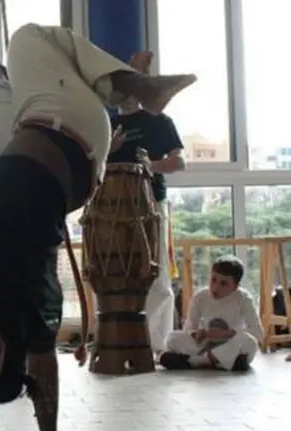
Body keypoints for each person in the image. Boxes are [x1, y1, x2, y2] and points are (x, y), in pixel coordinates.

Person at [0, 23, 197, 431]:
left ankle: (121, 83)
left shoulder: (20, 320)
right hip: (50, 155)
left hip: (27, 166)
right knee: (28, 38)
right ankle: (133, 84)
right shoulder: (9, 325)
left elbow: (27, 372)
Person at [108, 54, 187, 354]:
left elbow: (179, 162)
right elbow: (90, 164)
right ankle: (121, 338)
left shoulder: (158, 121)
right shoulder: (107, 124)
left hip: (152, 200)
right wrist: (108, 150)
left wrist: (152, 165)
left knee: (156, 272)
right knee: (118, 272)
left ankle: (156, 343)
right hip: (115, 203)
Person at [159, 255, 261, 371]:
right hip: (205, 345)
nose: (216, 287)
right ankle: (222, 361)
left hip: (230, 343)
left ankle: (196, 361)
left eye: (224, 283)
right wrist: (196, 334)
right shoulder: (200, 297)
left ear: (235, 286)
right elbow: (189, 328)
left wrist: (227, 334)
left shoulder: (244, 298)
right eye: (213, 280)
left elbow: (257, 333)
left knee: (249, 343)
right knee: (172, 338)